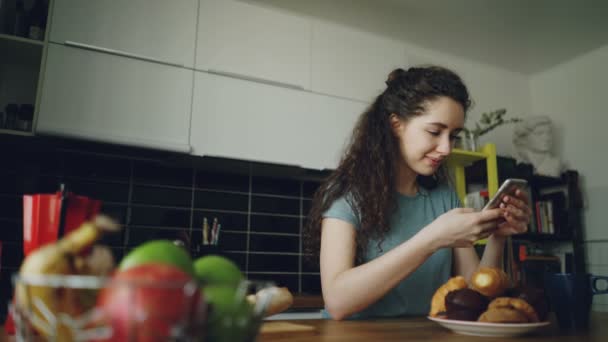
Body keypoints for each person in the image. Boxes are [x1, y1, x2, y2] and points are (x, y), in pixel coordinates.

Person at [303, 66, 531, 320]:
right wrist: (432, 238)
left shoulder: (443, 197)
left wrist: (498, 236)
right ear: (396, 125)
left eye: (453, 136)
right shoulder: (346, 195)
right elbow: (337, 302)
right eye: (434, 132)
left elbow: (476, 296)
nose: (446, 148)